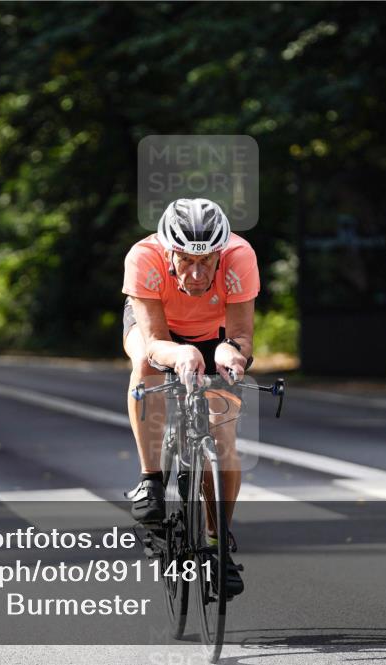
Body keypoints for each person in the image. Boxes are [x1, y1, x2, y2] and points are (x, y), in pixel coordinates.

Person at [122, 198, 259, 597]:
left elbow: (242, 335)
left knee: (223, 436)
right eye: (185, 261)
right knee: (145, 364)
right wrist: (180, 353)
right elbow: (154, 342)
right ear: (169, 252)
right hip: (158, 331)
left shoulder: (240, 256)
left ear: (220, 254)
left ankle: (218, 545)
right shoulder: (143, 257)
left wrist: (233, 354)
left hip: (215, 334)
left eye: (207, 262)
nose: (197, 275)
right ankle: (150, 479)